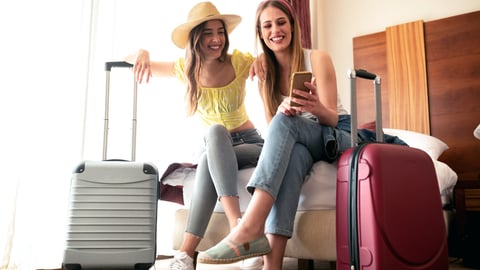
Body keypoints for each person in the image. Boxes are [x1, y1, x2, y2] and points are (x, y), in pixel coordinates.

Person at [197, 1, 407, 269]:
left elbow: (332, 115)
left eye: (281, 22)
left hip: (336, 131)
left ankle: (250, 226)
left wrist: (313, 107)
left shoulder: (316, 57)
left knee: (288, 126)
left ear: (293, 26)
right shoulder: (265, 73)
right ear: (261, 33)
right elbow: (275, 129)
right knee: (293, 156)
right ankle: (272, 266)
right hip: (299, 139)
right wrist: (289, 113)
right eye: (268, 25)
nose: (276, 30)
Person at [125, 2, 265, 270]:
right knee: (212, 140)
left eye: (220, 32)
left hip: (251, 144)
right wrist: (141, 51)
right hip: (216, 150)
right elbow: (128, 58)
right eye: (208, 33)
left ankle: (234, 233)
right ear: (195, 38)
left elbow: (271, 59)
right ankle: (188, 256)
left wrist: (263, 61)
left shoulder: (240, 61)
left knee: (211, 148)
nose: (216, 39)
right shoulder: (185, 68)